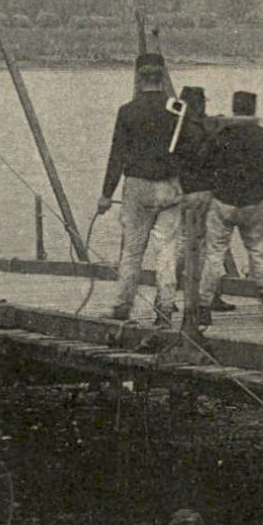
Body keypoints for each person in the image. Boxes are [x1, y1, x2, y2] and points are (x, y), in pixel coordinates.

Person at [96, 53, 182, 325]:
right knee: (166, 250)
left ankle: (123, 306)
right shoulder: (178, 110)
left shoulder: (127, 111)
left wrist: (106, 194)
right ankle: (166, 308)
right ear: (162, 78)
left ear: (139, 78)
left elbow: (116, 155)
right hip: (170, 186)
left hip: (137, 186)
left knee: (132, 250)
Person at [199, 91, 263, 324]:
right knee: (259, 253)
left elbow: (204, 162)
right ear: (253, 109)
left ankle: (204, 306)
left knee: (214, 254)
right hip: (252, 202)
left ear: (234, 108)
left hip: (224, 201)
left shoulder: (222, 134)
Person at [175, 87, 239, 317]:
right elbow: (201, 157)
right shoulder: (191, 130)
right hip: (200, 190)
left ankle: (168, 292)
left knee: (187, 244)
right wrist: (215, 135)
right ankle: (206, 298)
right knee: (204, 246)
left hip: (186, 191)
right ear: (199, 104)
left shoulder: (179, 125)